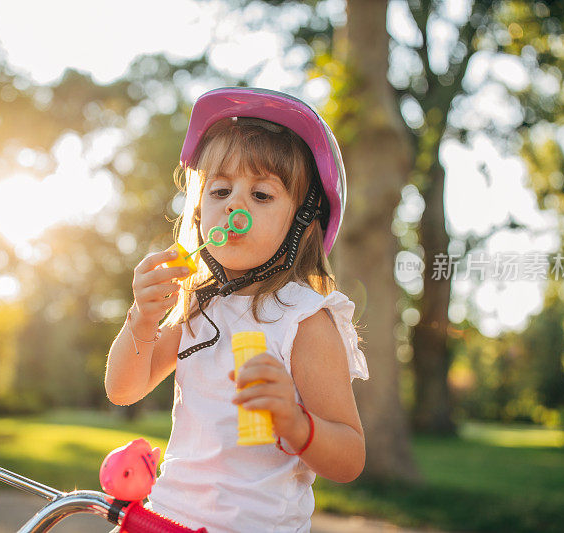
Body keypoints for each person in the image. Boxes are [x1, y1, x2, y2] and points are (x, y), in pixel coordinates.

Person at [105, 87, 369, 533]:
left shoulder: (304, 319)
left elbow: (350, 458)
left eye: (262, 195)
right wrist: (142, 320)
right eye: (220, 190)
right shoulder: (200, 304)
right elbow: (123, 390)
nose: (234, 205)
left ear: (303, 222)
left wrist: (296, 423)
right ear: (198, 211)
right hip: (167, 517)